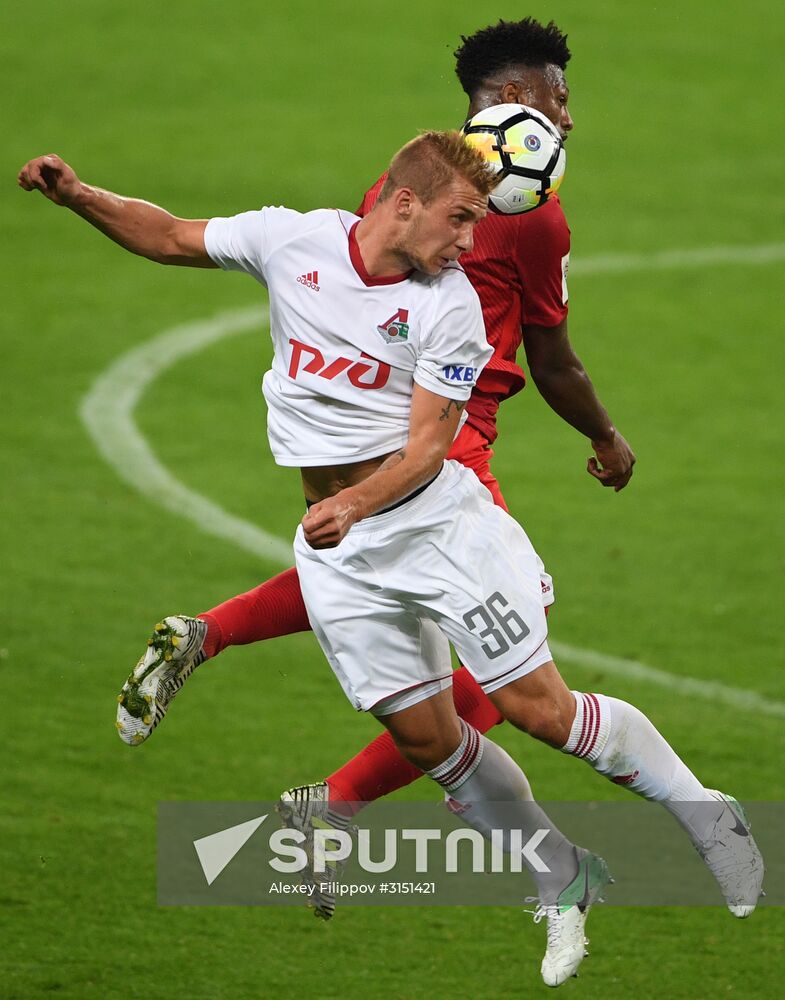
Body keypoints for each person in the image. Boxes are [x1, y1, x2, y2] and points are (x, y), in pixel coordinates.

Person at [83, 15, 762, 930]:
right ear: (519, 105)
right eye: (560, 97)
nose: (571, 115)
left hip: (405, 446)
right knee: (488, 693)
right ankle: (359, 806)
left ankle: (248, 685)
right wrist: (606, 437)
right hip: (444, 439)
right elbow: (549, 358)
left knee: (444, 642)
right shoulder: (522, 214)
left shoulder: (411, 184)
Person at [20, 132, 618, 988]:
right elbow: (172, 236)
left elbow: (439, 427)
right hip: (419, 473)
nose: (467, 241)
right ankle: (350, 796)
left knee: (496, 688)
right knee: (465, 708)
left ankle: (276, 724)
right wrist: (79, 195)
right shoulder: (315, 239)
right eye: (552, 95)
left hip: (422, 472)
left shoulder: (449, 265)